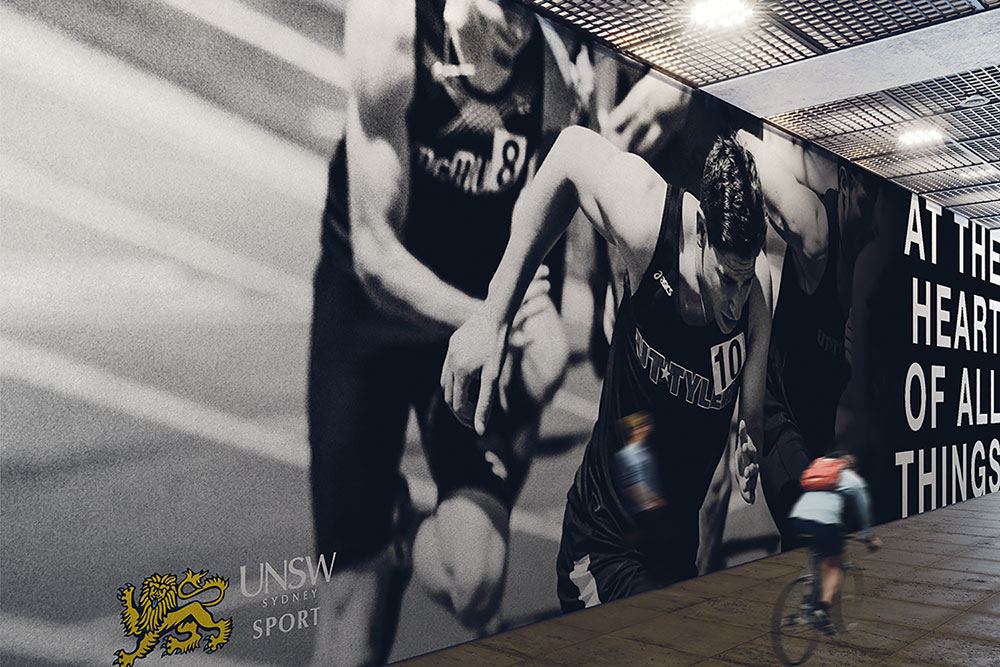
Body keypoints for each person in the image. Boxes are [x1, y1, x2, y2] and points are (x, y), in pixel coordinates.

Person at [307, 1, 569, 664]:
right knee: (347, 616)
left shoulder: (555, 69)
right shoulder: (391, 32)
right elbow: (376, 259)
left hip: (477, 311)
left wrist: (542, 324)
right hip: (371, 315)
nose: (519, 26)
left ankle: (401, 540)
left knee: (475, 580)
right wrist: (491, 325)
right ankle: (374, 549)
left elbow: (544, 234)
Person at [441, 124, 772, 609]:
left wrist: (751, 439)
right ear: (701, 231)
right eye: (727, 279)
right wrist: (494, 314)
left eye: (745, 283)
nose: (735, 300)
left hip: (672, 552)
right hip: (604, 544)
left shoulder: (755, 289)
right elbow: (571, 151)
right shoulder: (646, 224)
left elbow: (752, 415)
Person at [739, 131, 880, 549]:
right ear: (847, 181)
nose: (872, 224)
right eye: (865, 205)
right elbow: (746, 142)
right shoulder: (817, 231)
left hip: (831, 439)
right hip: (784, 424)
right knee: (816, 531)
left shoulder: (882, 261)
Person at [787, 453, 882, 634]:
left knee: (814, 560)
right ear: (854, 468)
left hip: (797, 519)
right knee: (835, 566)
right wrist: (869, 538)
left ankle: (806, 606)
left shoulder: (819, 471)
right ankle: (822, 609)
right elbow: (864, 511)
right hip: (825, 524)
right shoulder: (853, 479)